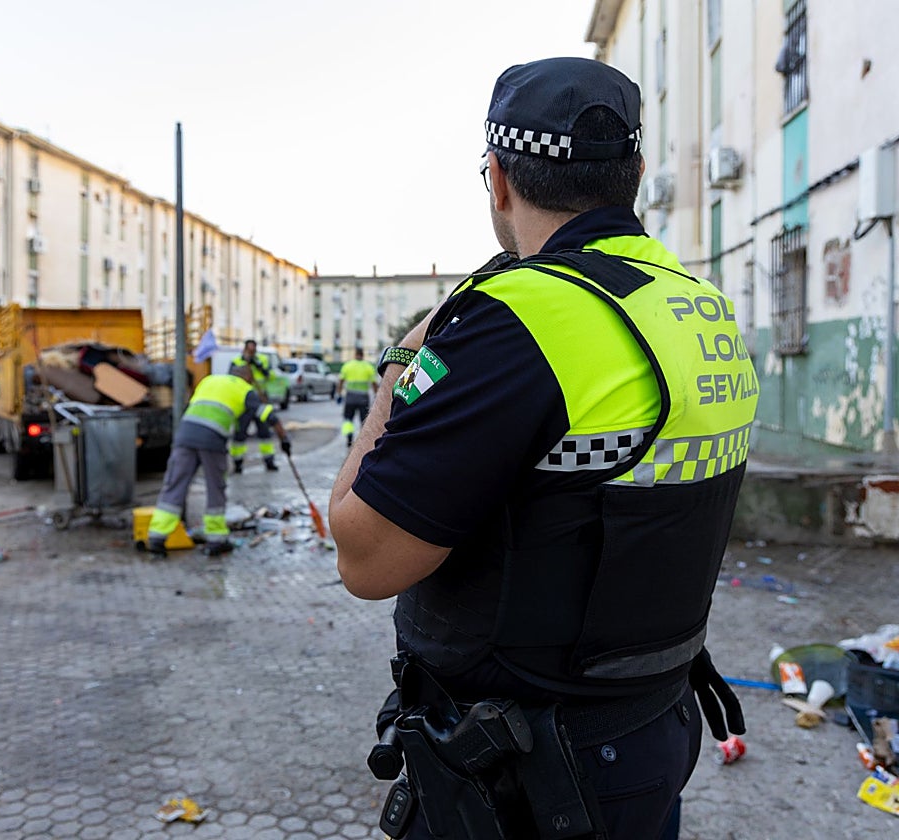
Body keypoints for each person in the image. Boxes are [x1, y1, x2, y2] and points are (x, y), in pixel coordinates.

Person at [329, 56, 758, 840]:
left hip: (525, 775)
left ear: (497, 179)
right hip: (651, 733)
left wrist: (402, 364)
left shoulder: (519, 319)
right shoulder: (699, 305)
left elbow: (364, 558)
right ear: (631, 172)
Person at [146, 365, 291, 557]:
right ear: (247, 377)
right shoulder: (244, 389)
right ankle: (216, 540)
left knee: (175, 483)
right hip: (211, 439)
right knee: (215, 487)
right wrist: (284, 439)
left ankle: (157, 537)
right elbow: (269, 416)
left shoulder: (209, 380)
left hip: (185, 434)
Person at [229, 339, 279, 472]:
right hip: (243, 403)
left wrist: (257, 365)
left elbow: (271, 376)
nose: (251, 352)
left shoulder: (262, 359)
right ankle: (238, 463)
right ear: (245, 349)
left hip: (259, 400)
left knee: (264, 433)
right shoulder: (237, 361)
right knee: (240, 434)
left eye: (253, 349)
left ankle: (269, 461)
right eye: (249, 349)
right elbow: (231, 379)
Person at [336, 347, 378, 448]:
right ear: (362, 355)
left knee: (348, 419)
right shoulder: (368, 366)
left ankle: (349, 439)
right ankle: (363, 441)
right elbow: (374, 384)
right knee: (364, 421)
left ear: (355, 354)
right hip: (363, 398)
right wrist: (377, 396)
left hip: (350, 398)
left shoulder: (347, 366)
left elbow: (341, 381)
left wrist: (339, 394)